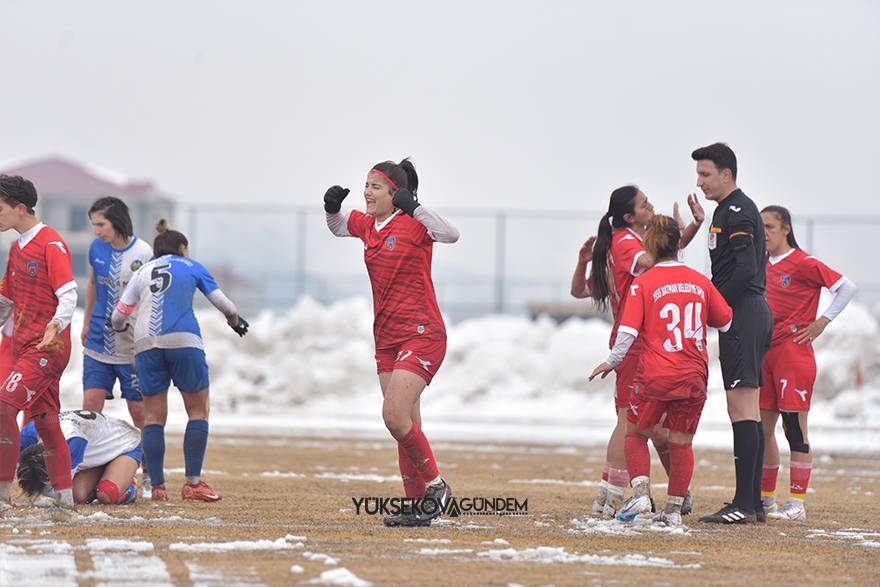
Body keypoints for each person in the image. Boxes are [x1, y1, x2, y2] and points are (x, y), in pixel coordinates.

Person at [324, 158, 459, 527]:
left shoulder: (413, 223)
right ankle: (419, 506)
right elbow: (338, 228)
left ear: (395, 194)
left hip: (422, 333)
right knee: (404, 425)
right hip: (386, 339)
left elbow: (450, 234)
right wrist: (331, 208)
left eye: (375, 187)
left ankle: (436, 487)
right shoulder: (369, 225)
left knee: (394, 416)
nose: (367, 192)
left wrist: (413, 205)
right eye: (366, 185)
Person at [590, 215, 732, 526]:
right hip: (694, 374)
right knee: (681, 443)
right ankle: (672, 511)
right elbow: (725, 321)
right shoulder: (700, 281)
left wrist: (612, 360)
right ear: (677, 245)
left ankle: (640, 494)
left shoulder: (644, 282)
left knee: (636, 433)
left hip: (656, 373)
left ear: (651, 244)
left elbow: (627, 331)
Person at [575, 185, 704, 517]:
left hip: (642, 344)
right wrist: (680, 232)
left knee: (658, 431)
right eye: (646, 206)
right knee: (630, 424)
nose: (652, 207)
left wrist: (684, 231)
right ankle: (612, 497)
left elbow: (579, 290)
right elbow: (657, 260)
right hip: (635, 344)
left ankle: (679, 491)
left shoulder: (618, 244)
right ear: (630, 217)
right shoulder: (626, 243)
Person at [110, 219, 249, 502]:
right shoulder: (192, 266)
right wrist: (236, 322)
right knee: (198, 412)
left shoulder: (144, 271)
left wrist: (121, 328)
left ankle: (158, 488)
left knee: (153, 418)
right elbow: (226, 305)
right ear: (183, 249)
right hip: (184, 342)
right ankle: (193, 484)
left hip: (146, 345)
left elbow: (118, 316)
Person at [692, 142, 774, 524]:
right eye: (699, 174)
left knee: (740, 408)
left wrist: (713, 304)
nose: (700, 181)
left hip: (743, 313)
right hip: (747, 312)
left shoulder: (737, 210)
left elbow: (743, 271)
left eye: (706, 174)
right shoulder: (726, 210)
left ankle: (743, 503)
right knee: (749, 410)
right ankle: (753, 504)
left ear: (727, 174)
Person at [759, 205, 856, 521]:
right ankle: (765, 499)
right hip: (765, 354)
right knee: (762, 430)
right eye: (760, 227)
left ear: (786, 228)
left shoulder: (803, 262)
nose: (764, 234)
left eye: (770, 227)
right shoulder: (759, 265)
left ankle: (797, 504)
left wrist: (821, 322)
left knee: (794, 429)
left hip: (793, 354)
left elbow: (846, 287)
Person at [0, 174, 77, 514]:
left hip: (47, 349)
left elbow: (69, 294)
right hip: (23, 348)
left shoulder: (51, 243)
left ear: (20, 208)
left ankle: (2, 494)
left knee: (3, 406)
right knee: (46, 421)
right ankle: (66, 498)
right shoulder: (17, 248)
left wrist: (55, 326)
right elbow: (6, 300)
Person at [80, 196, 153, 493]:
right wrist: (85, 322)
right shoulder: (96, 248)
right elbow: (93, 285)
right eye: (93, 224)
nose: (96, 231)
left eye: (101, 224)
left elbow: (149, 298)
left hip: (131, 347)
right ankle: (88, 468)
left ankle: (149, 471)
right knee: (90, 407)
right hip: (98, 343)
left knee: (138, 412)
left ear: (118, 222)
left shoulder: (143, 252)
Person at [18, 410, 142, 505]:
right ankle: (104, 470)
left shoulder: (73, 441)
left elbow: (64, 496)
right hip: (95, 449)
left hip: (126, 444)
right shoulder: (29, 433)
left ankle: (129, 484)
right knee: (78, 495)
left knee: (106, 494)